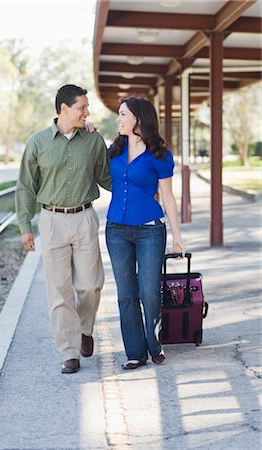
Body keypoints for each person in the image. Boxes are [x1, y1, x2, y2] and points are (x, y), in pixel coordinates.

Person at [16, 84, 112, 374]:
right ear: (64, 109)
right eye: (82, 106)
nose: (87, 111)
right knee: (59, 291)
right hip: (52, 220)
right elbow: (26, 185)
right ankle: (68, 351)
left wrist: (143, 191)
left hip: (84, 217)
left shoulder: (93, 141)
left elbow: (107, 178)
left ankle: (85, 329)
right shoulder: (37, 142)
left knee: (91, 285)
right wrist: (25, 225)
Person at [105, 97, 186, 370]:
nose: (118, 119)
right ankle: (135, 352)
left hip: (150, 231)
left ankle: (155, 344)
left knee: (149, 292)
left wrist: (177, 236)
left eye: (122, 114)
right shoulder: (114, 150)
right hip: (116, 230)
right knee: (126, 294)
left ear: (139, 119)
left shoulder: (160, 155)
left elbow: (168, 197)